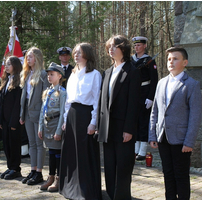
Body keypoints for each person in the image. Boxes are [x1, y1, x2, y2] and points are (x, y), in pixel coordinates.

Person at [149, 47, 202, 200]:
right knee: (168, 174)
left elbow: (195, 116)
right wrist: (153, 134)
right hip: (163, 137)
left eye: (175, 58)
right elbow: (155, 111)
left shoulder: (191, 84)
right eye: (169, 59)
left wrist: (189, 141)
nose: (171, 61)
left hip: (181, 140)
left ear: (185, 62)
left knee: (181, 176)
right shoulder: (161, 83)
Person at [96, 35, 141, 200]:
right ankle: (111, 195)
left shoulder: (133, 71)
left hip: (123, 129)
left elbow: (134, 104)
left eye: (114, 46)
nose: (110, 49)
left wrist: (129, 129)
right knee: (109, 166)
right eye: (109, 46)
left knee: (123, 167)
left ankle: (122, 197)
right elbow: (103, 101)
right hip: (108, 129)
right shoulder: (107, 72)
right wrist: (99, 126)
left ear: (124, 49)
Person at [60, 43, 102, 200]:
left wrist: (93, 122)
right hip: (72, 115)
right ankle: (71, 188)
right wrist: (65, 119)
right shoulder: (72, 74)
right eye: (75, 53)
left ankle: (86, 190)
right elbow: (68, 101)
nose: (76, 55)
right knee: (71, 153)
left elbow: (97, 100)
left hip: (86, 115)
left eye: (79, 53)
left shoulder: (95, 74)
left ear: (87, 55)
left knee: (84, 153)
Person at [20, 47, 50, 185]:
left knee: (39, 144)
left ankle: (39, 172)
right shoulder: (26, 74)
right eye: (27, 57)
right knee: (31, 143)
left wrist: (43, 116)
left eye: (30, 57)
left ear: (37, 58)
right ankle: (32, 170)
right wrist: (22, 114)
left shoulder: (43, 74)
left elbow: (45, 97)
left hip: (38, 112)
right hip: (27, 111)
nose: (28, 59)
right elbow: (24, 97)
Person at [38, 62, 66, 192]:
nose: (49, 76)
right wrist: (40, 127)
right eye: (48, 74)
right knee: (51, 152)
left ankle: (58, 179)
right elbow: (42, 111)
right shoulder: (47, 91)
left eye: (52, 74)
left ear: (59, 76)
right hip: (47, 125)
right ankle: (50, 177)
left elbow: (63, 113)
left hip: (55, 126)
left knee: (57, 153)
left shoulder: (62, 93)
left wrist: (59, 130)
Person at [131, 36, 158, 160]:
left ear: (144, 46)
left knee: (143, 121)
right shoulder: (131, 60)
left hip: (145, 92)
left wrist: (151, 97)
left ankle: (142, 151)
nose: (137, 47)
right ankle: (135, 149)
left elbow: (154, 80)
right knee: (135, 121)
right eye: (135, 45)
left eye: (139, 45)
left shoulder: (149, 60)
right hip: (134, 92)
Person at [0, 56, 23, 180]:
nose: (6, 66)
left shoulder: (19, 82)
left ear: (15, 66)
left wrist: (14, 121)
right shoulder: (7, 79)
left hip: (13, 120)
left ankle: (15, 168)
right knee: (7, 144)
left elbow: (18, 103)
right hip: (5, 119)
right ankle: (10, 166)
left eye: (9, 64)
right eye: (5, 64)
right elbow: (2, 102)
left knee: (14, 144)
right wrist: (0, 119)